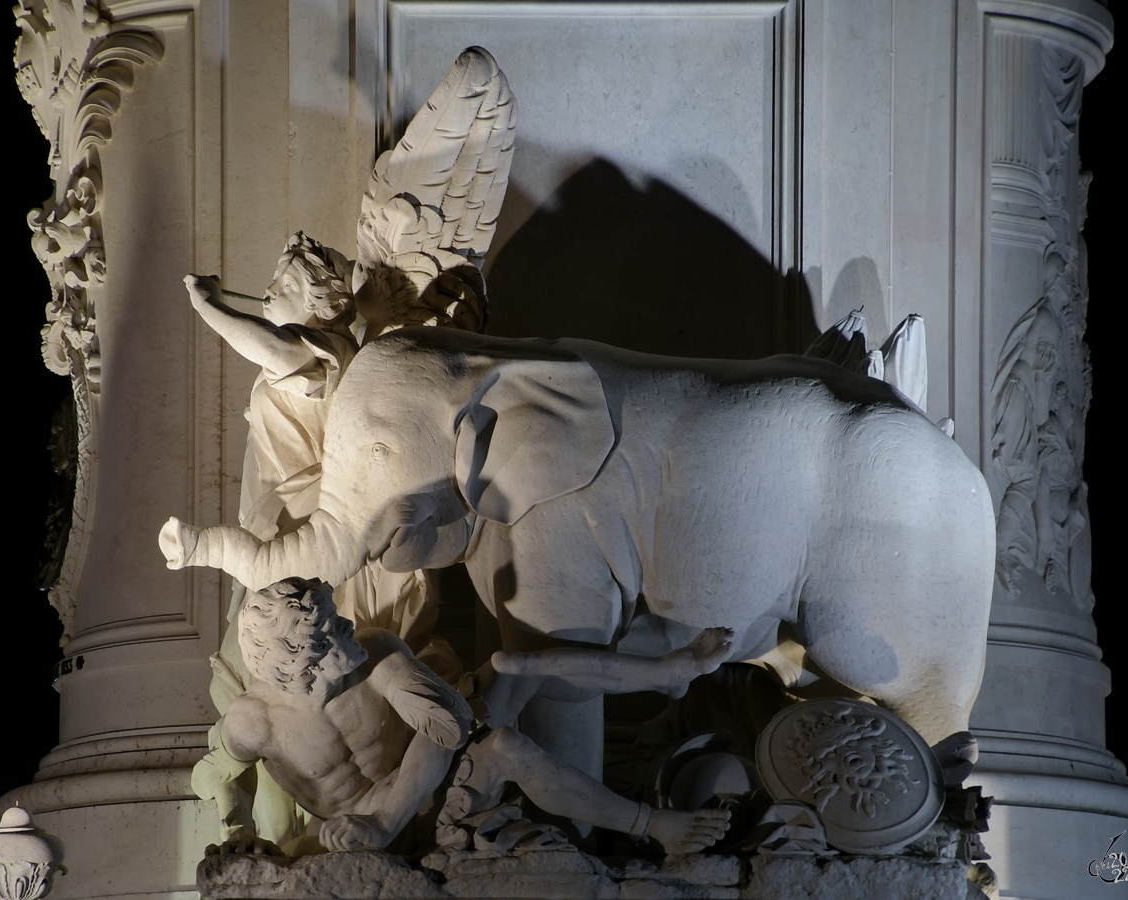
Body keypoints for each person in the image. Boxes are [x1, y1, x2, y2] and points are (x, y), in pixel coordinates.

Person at [187, 234, 458, 846]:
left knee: (288, 677)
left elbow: (269, 345)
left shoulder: (322, 350)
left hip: (310, 538)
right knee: (265, 687)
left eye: (280, 289)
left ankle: (341, 811)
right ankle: (282, 825)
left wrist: (210, 308)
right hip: (282, 532)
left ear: (316, 303)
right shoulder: (308, 354)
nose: (265, 295)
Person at [193, 578, 734, 856]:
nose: (348, 628)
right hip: (365, 823)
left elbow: (447, 725)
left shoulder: (371, 650)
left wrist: (414, 689)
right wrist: (238, 826)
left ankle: (668, 672)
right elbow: (213, 774)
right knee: (504, 748)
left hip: (424, 773)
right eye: (333, 632)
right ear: (296, 665)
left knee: (511, 666)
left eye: (337, 619)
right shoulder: (254, 721)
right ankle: (654, 825)